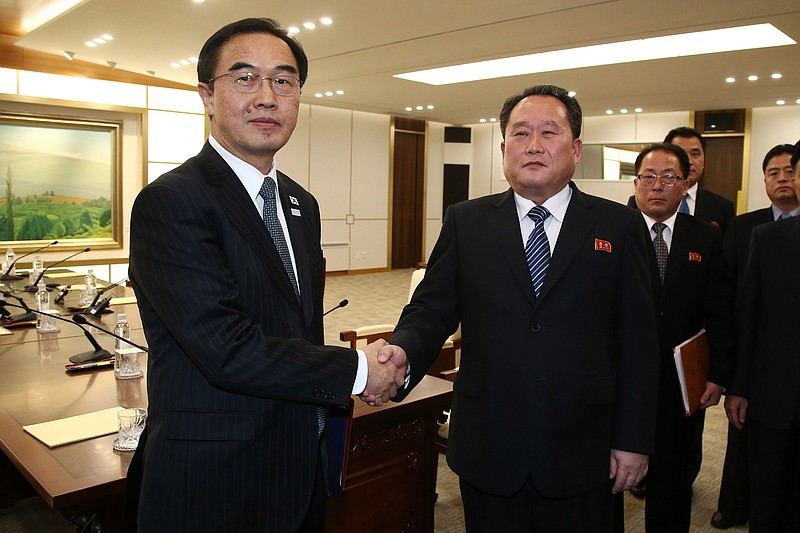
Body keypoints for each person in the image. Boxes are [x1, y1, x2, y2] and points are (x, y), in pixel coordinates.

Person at [126, 18, 404, 533]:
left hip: (297, 463)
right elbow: (225, 348)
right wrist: (359, 371)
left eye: (283, 80)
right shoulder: (172, 201)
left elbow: (295, 330)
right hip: (214, 480)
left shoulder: (301, 204)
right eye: (245, 78)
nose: (267, 96)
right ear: (208, 95)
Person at [372, 85, 660, 532]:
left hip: (585, 445)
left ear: (576, 147)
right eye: (520, 134)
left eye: (549, 132)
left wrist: (634, 439)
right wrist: (402, 352)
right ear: (504, 148)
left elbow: (640, 342)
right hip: (491, 441)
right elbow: (431, 308)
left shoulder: (619, 226)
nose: (534, 145)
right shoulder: (466, 221)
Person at [630, 143, 735, 532]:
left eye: (670, 177)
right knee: (609, 478)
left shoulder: (705, 237)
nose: (658, 185)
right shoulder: (610, 231)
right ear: (636, 182)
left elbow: (720, 311)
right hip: (621, 382)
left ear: (686, 183)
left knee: (673, 482)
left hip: (681, 385)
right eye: (649, 176)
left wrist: (718, 374)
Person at [712, 143, 799, 529]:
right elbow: (747, 315)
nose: (785, 179)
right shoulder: (767, 237)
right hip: (776, 396)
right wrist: (739, 385)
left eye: (789, 172)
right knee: (770, 498)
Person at [627, 127, 734, 232]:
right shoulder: (638, 202)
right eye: (680, 153)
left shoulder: (722, 207)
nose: (689, 161)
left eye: (695, 154)